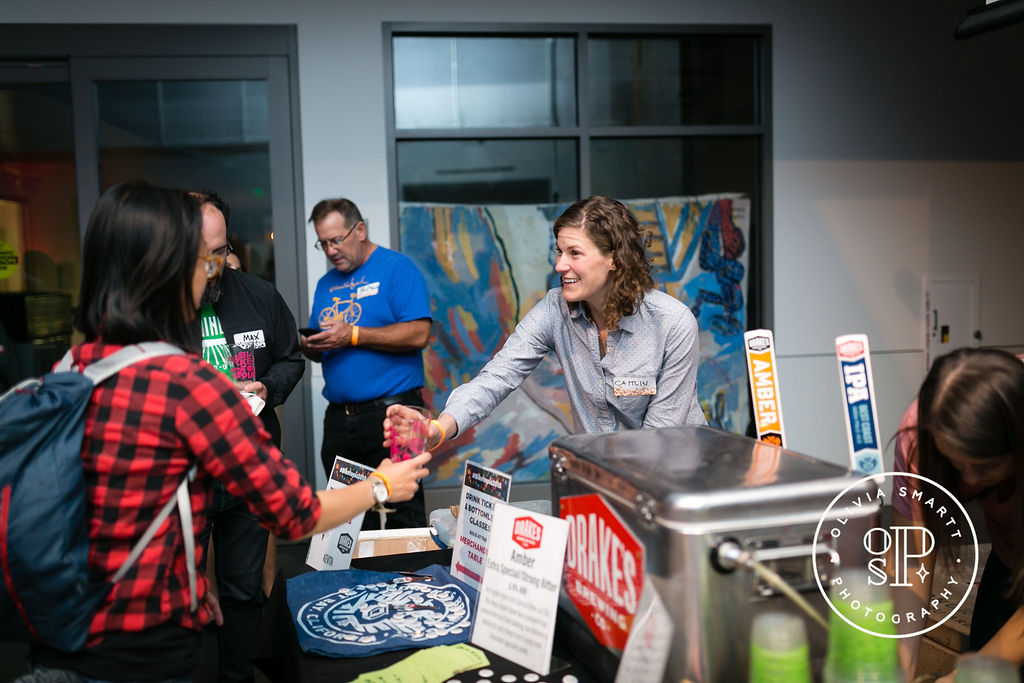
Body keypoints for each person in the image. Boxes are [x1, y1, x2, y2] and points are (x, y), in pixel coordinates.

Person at [18, 181, 429, 683]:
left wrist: (185, 575)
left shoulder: (76, 364)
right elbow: (295, 515)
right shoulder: (184, 382)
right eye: (200, 260)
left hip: (56, 634)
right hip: (142, 648)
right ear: (163, 269)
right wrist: (383, 485)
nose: (211, 271)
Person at [386, 195, 706, 452]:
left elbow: (661, 437)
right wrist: (440, 429)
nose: (559, 264)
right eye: (559, 251)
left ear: (615, 258)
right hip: (607, 478)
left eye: (574, 253)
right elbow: (498, 376)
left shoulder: (672, 324)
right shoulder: (556, 309)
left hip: (673, 479)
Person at [189, 190, 304, 683]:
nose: (213, 266)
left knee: (241, 592)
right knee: (181, 594)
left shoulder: (259, 296)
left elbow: (291, 358)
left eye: (220, 252)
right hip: (183, 478)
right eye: (201, 255)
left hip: (248, 471)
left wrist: (269, 386)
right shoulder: (153, 307)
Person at [891, 347, 1024, 682]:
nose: (969, 482)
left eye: (984, 467)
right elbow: (912, 558)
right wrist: (902, 668)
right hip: (1011, 561)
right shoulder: (921, 433)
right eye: (956, 464)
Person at [299, 198, 432, 530]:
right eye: (323, 243)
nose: (330, 250)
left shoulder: (397, 268)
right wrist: (311, 345)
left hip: (394, 415)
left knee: (403, 511)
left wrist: (353, 335)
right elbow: (327, 345)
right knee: (346, 519)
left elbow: (419, 333)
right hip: (340, 420)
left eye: (336, 240)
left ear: (360, 230)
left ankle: (411, 582)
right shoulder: (326, 284)